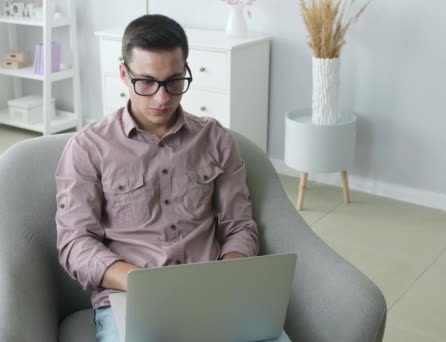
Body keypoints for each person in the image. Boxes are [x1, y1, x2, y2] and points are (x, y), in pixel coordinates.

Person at [56, 14, 281, 342]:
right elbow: (75, 243)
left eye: (174, 81)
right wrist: (143, 283)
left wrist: (228, 275)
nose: (162, 98)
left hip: (213, 292)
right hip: (132, 299)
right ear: (123, 74)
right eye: (145, 82)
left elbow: (239, 227)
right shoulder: (88, 148)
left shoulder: (216, 140)